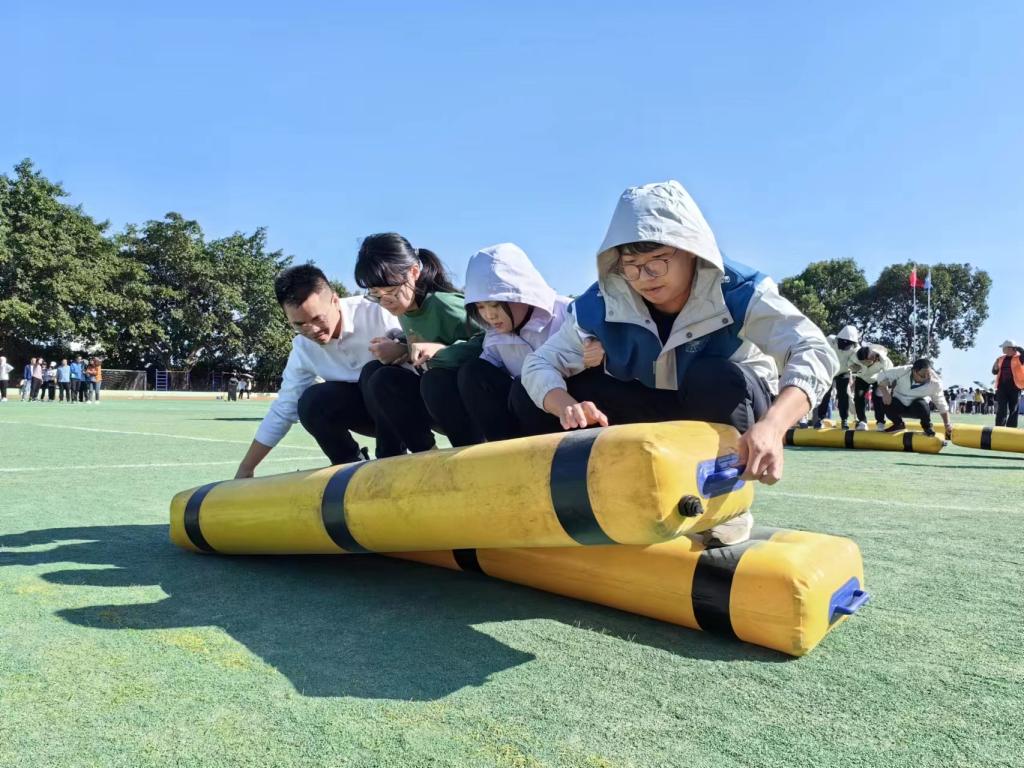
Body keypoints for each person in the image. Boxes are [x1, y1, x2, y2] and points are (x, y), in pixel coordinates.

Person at [515, 180, 838, 546]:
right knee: (541, 394)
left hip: (731, 404)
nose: (644, 278)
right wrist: (566, 405)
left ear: (691, 250)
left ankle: (725, 507)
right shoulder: (600, 302)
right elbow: (539, 364)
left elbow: (813, 349)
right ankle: (591, 500)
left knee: (712, 375)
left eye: (658, 262)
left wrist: (774, 426)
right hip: (656, 405)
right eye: (631, 266)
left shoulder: (740, 290)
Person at [235, 264, 403, 478]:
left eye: (317, 318)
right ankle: (351, 469)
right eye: (299, 324)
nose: (312, 330)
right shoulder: (303, 348)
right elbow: (283, 409)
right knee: (311, 402)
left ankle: (392, 461)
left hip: (407, 409)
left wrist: (402, 349)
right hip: (369, 416)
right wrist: (246, 468)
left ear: (335, 300)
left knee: (376, 374)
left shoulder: (378, 311)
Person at [355, 233, 486, 455]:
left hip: (468, 402)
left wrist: (443, 352)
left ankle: (471, 455)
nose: (385, 302)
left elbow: (492, 341)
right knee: (381, 379)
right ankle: (427, 456)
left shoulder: (444, 304)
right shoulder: (405, 310)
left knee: (435, 381)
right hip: (435, 405)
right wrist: (402, 349)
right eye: (376, 295)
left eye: (391, 291)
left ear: (414, 272)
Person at [455, 242, 597, 441]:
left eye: (495, 304)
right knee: (473, 372)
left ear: (521, 293)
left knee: (524, 386)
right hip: (526, 417)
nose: (489, 315)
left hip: (575, 408)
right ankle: (503, 450)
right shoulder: (493, 335)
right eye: (480, 307)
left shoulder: (567, 311)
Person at [877, 358, 952, 438]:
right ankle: (898, 424)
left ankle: (927, 427)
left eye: (929, 374)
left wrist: (947, 424)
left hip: (917, 409)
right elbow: (881, 375)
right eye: (923, 375)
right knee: (884, 401)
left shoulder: (936, 383)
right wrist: (885, 392)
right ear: (914, 371)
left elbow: (941, 403)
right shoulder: (903, 371)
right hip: (898, 405)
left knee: (921, 404)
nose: (927, 378)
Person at [811, 326, 860, 428]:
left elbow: (855, 364)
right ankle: (821, 419)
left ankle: (844, 420)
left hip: (844, 372)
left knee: (844, 396)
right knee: (825, 394)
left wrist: (855, 367)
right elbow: (819, 351)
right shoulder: (829, 340)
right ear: (838, 338)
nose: (844, 345)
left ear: (853, 343)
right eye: (843, 342)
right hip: (829, 370)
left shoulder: (856, 349)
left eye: (848, 343)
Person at [850, 343, 893, 430]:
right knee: (858, 397)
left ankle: (880, 422)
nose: (863, 364)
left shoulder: (885, 361)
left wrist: (885, 387)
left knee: (877, 398)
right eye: (861, 362)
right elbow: (849, 365)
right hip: (862, 377)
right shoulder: (855, 356)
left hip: (878, 378)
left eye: (865, 362)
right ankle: (862, 421)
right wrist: (853, 368)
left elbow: (889, 374)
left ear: (873, 358)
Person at [992, 340, 1024, 428]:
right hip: (1002, 387)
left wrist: (1018, 348)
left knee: (1013, 409)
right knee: (1001, 409)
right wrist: (995, 368)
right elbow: (994, 372)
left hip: (1015, 387)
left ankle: (1011, 430)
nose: (1002, 349)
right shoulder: (1000, 358)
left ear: (1010, 348)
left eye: (1004, 348)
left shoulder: (1019, 358)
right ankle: (999, 428)